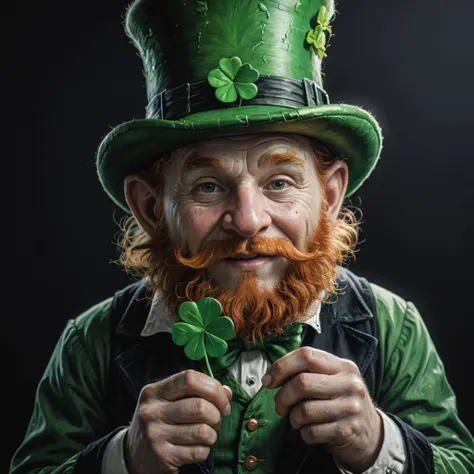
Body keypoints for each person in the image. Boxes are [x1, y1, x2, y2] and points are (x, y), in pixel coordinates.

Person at [9, 0, 474, 473]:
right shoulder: (92, 343)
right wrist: (122, 460)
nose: (248, 221)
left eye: (279, 183)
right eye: (208, 187)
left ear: (330, 196)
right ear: (151, 208)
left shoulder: (392, 327)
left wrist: (379, 443)